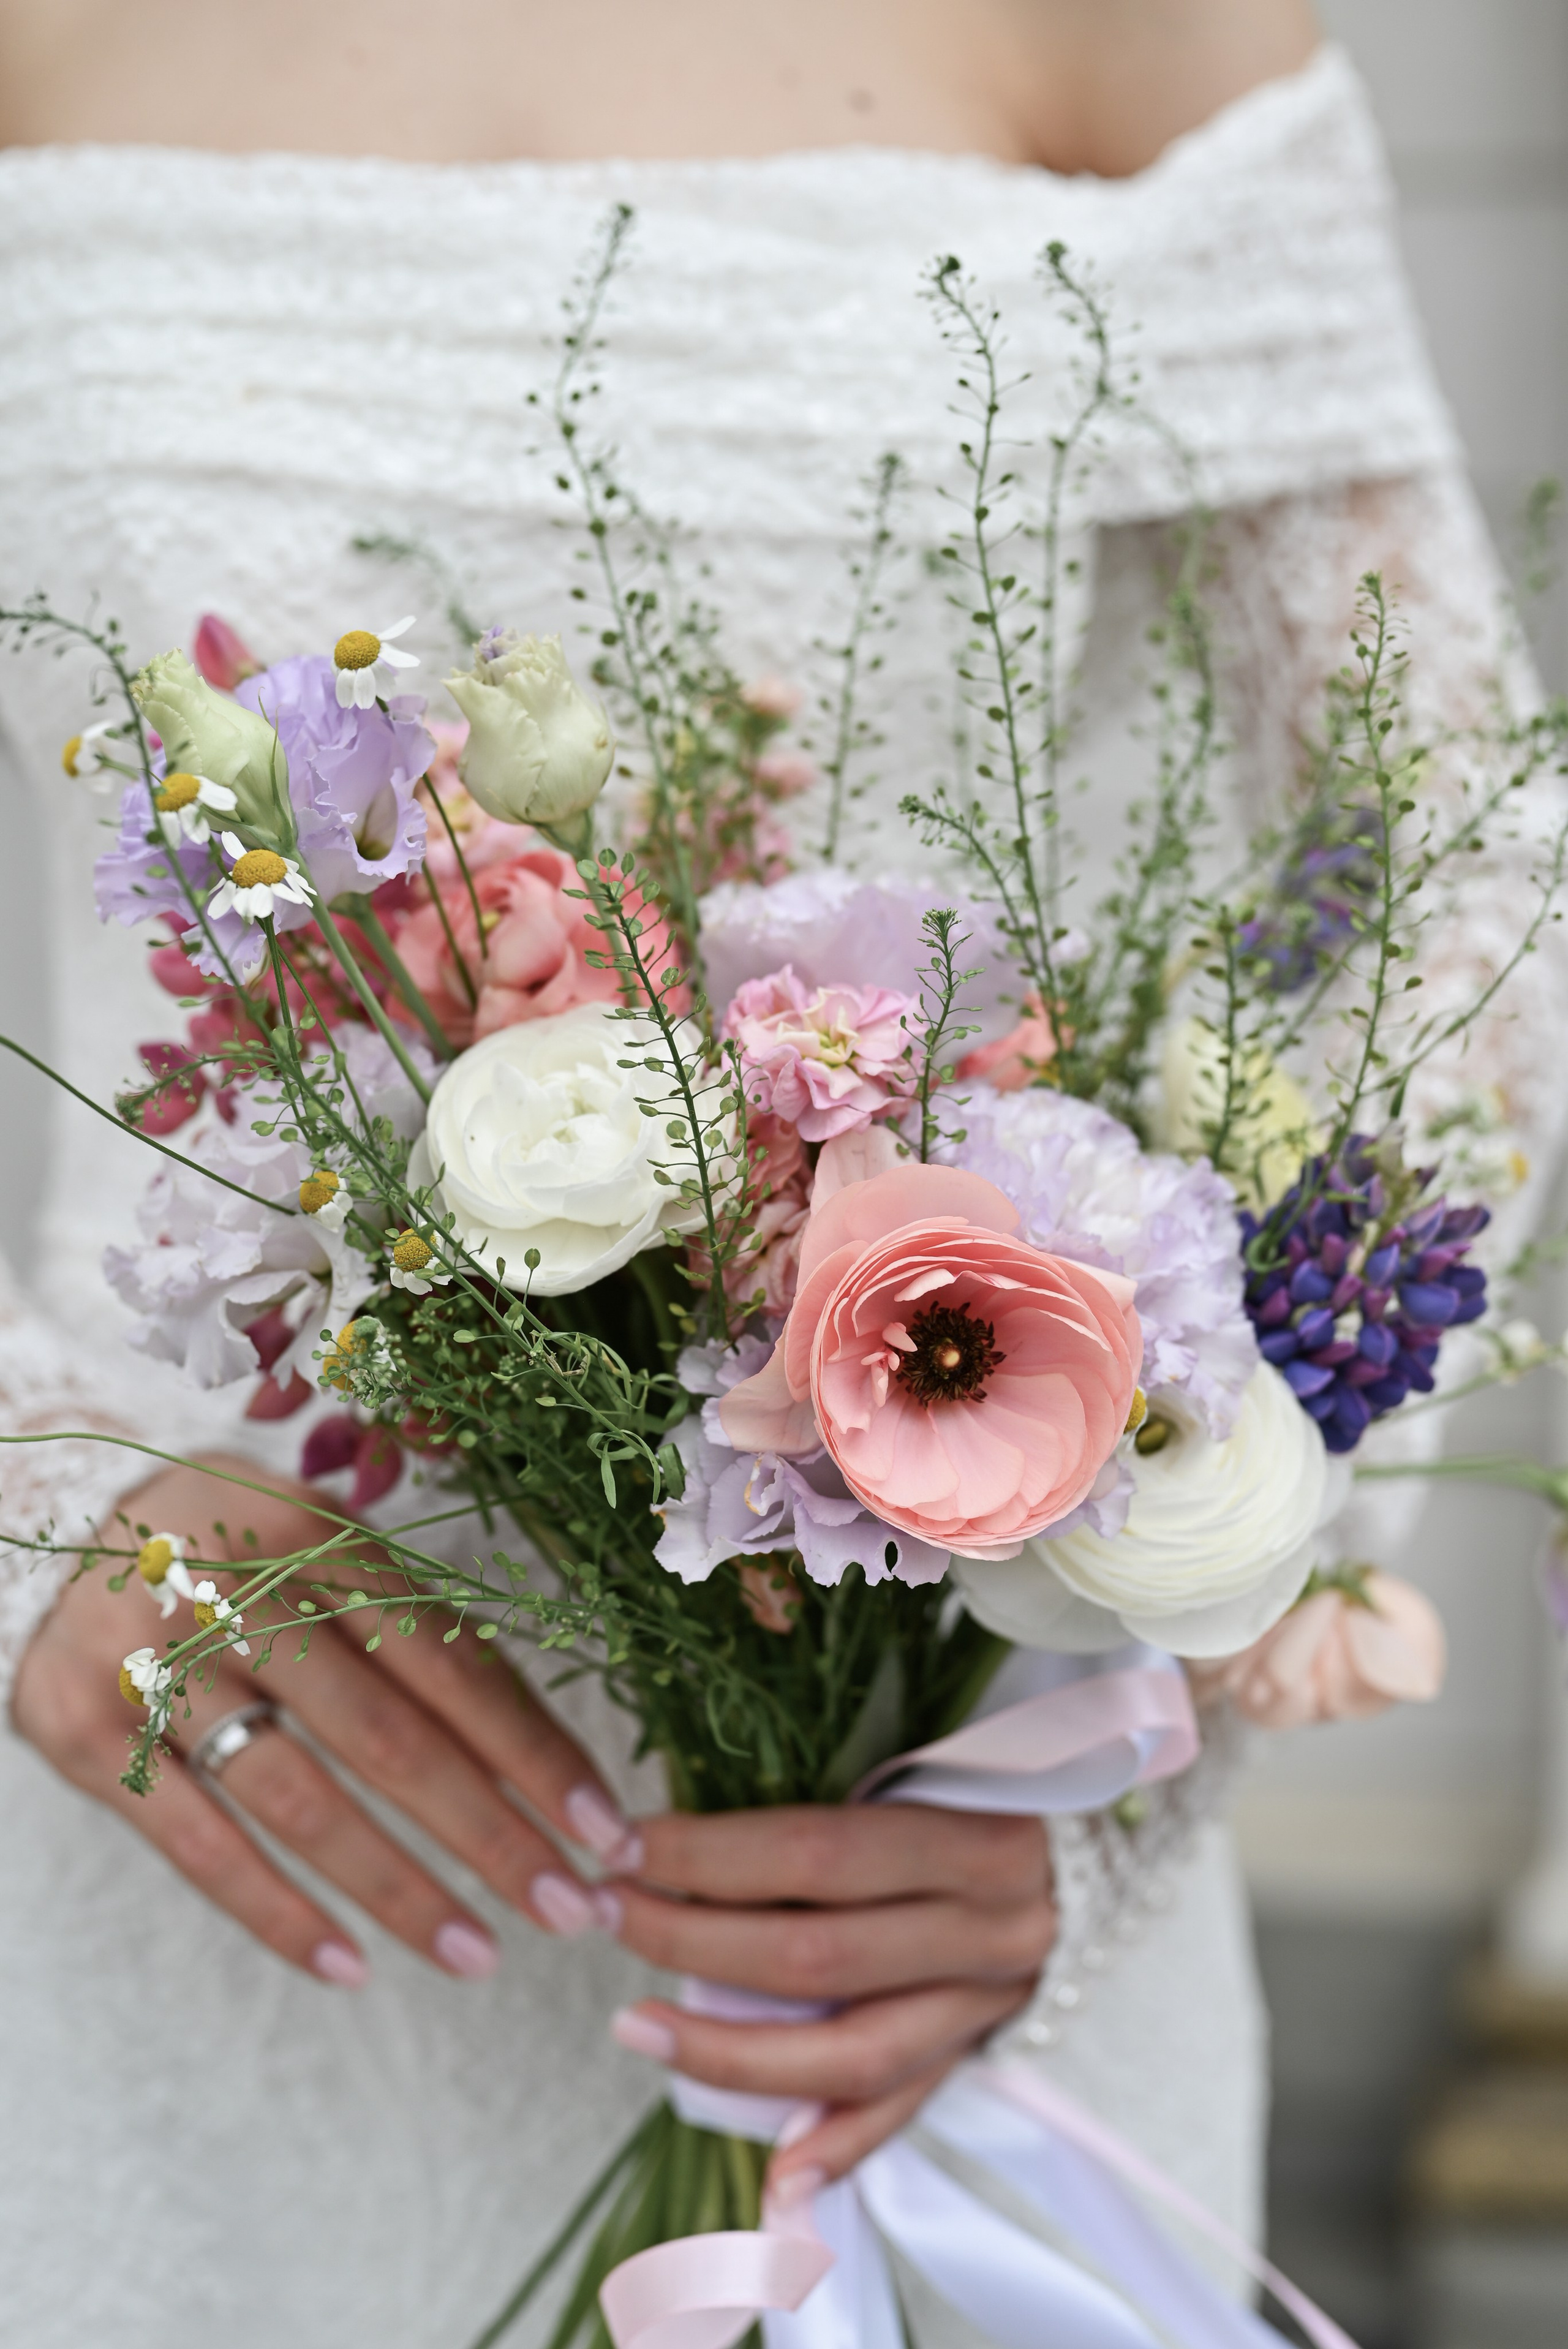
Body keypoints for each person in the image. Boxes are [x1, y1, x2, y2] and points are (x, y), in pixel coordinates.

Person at [0, 4, 1551, 2342]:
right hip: (196, 1801)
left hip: (944, 1814)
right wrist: (29, 1500)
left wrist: (1124, 1732)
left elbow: (1450, 873)